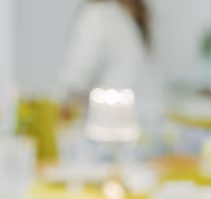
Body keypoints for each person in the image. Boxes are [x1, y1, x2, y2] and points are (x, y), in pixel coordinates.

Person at [60, 0, 163, 128]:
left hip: (111, 126)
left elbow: (76, 80)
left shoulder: (97, 15)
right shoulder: (132, 15)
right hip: (145, 123)